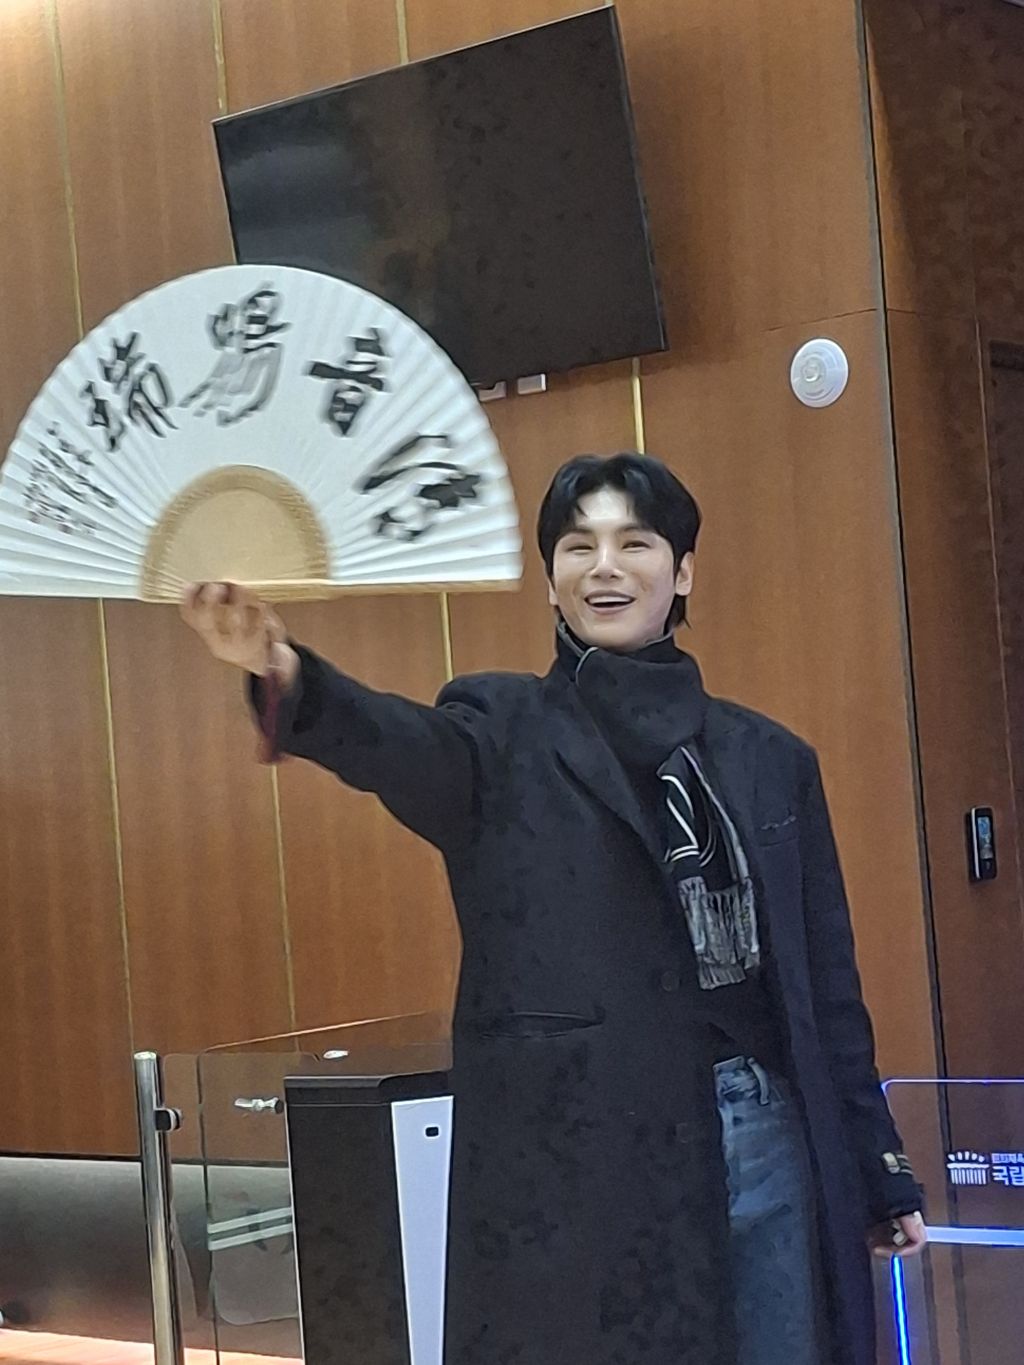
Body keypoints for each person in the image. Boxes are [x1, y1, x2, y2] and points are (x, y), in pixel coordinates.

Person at [182, 452, 926, 1365]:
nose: (604, 566)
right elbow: (392, 741)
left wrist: (879, 1168)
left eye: (634, 543)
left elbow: (825, 991)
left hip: (768, 1137)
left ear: (683, 572)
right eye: (578, 546)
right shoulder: (497, 731)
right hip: (585, 1158)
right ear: (551, 579)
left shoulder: (771, 758)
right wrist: (282, 670)